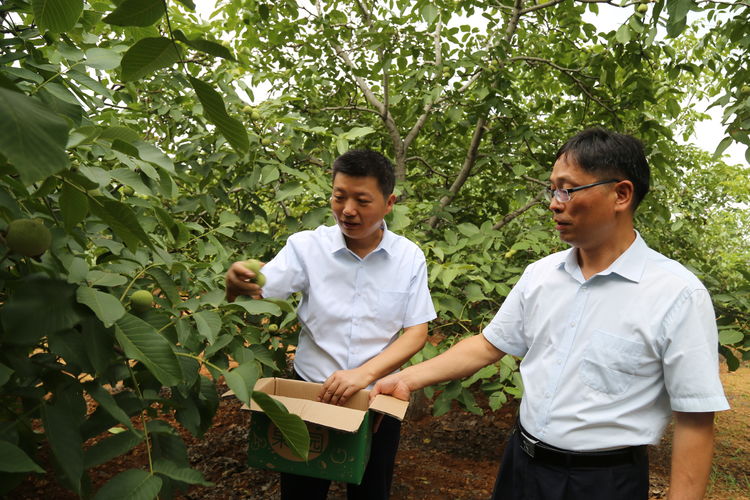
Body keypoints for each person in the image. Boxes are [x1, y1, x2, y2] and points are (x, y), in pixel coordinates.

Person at [371, 128, 729, 500]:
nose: (554, 203)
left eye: (568, 190)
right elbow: (487, 346)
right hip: (521, 468)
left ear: (621, 194)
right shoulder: (541, 275)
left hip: (603, 484)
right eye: (552, 190)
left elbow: (695, 420)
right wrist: (407, 379)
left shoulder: (677, 294)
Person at [225, 149, 436, 500]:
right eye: (339, 196)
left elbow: (416, 332)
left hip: (375, 402)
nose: (348, 210)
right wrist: (237, 281)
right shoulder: (307, 247)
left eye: (362, 200)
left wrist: (364, 375)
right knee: (302, 491)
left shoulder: (409, 257)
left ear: (389, 203)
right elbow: (256, 290)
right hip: (312, 394)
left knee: (371, 490)